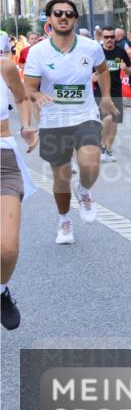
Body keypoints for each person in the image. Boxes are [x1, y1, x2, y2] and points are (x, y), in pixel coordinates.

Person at [24, 0, 119, 245]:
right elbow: (28, 88)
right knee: (62, 176)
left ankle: (85, 190)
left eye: (69, 13)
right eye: (57, 13)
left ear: (75, 18)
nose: (63, 17)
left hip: (85, 115)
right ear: (50, 19)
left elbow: (104, 70)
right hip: (53, 120)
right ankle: (64, 219)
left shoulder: (90, 47)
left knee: (90, 163)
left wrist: (106, 97)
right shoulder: (38, 52)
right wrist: (37, 95)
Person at [1, 56, 38, 330]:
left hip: (2, 160)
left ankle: (1, 290)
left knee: (7, 248)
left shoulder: (5, 67)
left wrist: (27, 126)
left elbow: (23, 99)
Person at [95, 28, 131, 162]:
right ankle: (102, 146)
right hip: (101, 91)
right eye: (106, 37)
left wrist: (125, 68)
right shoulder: (97, 52)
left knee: (115, 123)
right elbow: (86, 70)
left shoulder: (121, 52)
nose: (109, 39)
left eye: (111, 36)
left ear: (115, 38)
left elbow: (129, 71)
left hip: (116, 90)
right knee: (107, 119)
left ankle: (108, 150)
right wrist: (91, 76)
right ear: (102, 38)